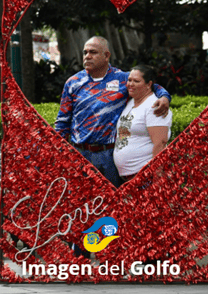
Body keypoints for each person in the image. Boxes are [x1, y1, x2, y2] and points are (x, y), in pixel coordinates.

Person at [55, 36, 170, 187]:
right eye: (85, 52)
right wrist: (59, 154)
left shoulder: (122, 78)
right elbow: (62, 122)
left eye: (93, 52)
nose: (87, 56)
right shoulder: (73, 82)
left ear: (106, 55)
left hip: (109, 155)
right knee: (83, 204)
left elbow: (151, 85)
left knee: (113, 203)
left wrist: (164, 97)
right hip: (80, 154)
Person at [113, 65, 173, 181]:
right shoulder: (131, 101)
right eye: (129, 80)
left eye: (136, 81)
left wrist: (157, 177)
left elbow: (160, 143)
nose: (130, 84)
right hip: (129, 176)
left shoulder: (155, 106)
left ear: (149, 84)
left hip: (145, 175)